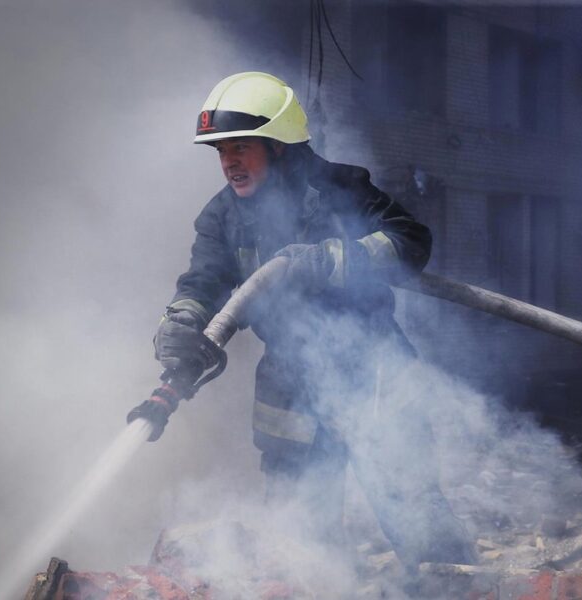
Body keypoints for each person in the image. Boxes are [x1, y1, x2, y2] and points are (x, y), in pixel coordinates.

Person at [145, 72, 475, 574]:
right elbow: (203, 279)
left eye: (241, 147)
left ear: (279, 146)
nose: (228, 162)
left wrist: (336, 260)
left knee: (421, 527)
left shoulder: (341, 189)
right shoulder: (221, 217)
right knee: (300, 546)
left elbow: (411, 241)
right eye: (220, 151)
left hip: (373, 370)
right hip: (288, 386)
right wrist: (182, 319)